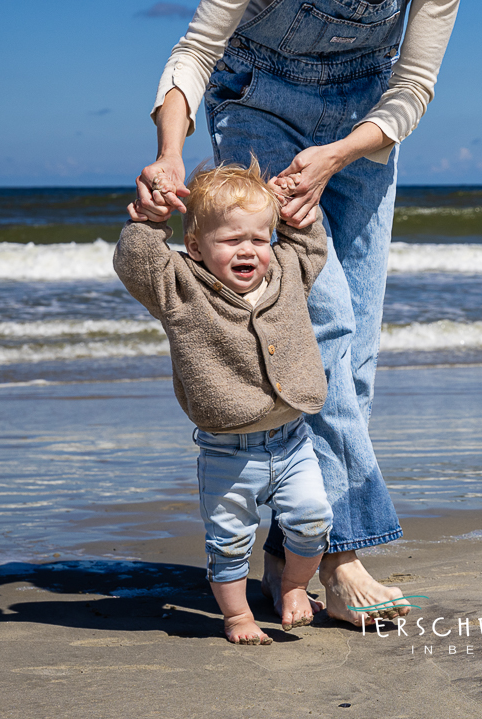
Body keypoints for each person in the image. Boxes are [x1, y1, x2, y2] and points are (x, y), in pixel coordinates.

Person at [130, 0, 482, 624]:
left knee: (359, 346)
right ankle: (343, 554)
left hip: (361, 133)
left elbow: (414, 87)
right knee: (326, 315)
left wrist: (341, 153)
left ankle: (292, 549)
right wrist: (167, 151)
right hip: (259, 105)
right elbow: (199, 44)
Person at [113, 159, 333, 645]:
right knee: (229, 541)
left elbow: (308, 247)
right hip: (227, 453)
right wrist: (149, 221)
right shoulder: (180, 285)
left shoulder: (287, 272)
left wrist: (296, 215)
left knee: (314, 517)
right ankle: (236, 617)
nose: (249, 250)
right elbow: (137, 262)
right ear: (195, 246)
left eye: (258, 239)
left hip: (294, 441)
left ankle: (294, 586)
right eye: (232, 241)